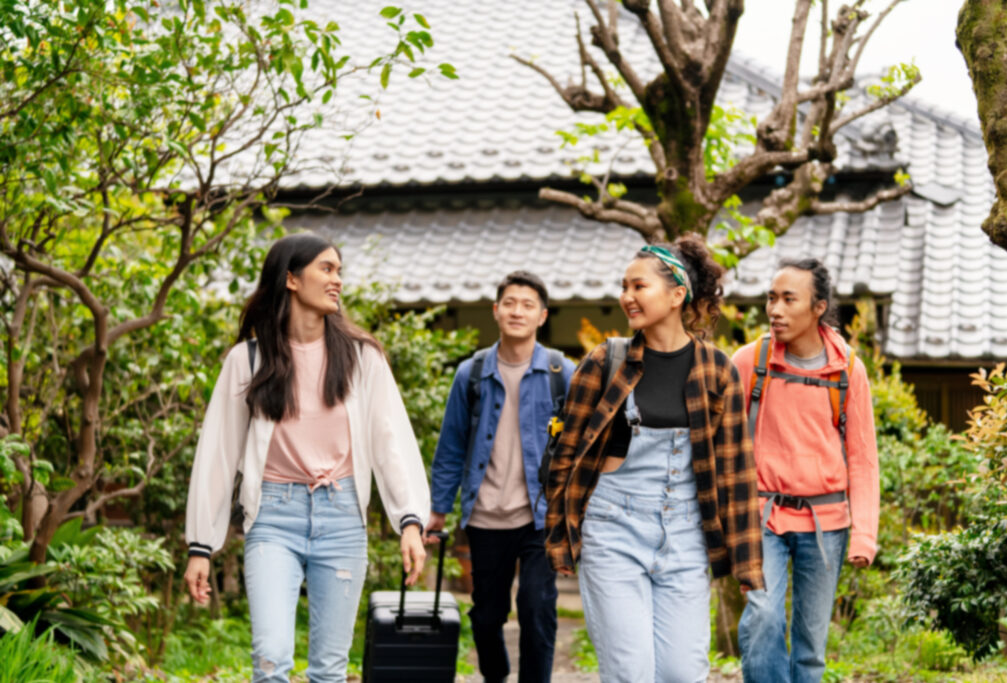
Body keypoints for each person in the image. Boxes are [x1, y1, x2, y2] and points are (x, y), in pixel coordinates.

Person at [183, 233, 429, 683]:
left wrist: (409, 520)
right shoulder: (249, 360)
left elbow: (390, 442)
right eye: (326, 269)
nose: (337, 280)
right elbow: (218, 453)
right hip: (274, 519)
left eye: (339, 271)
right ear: (292, 279)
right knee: (271, 658)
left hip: (342, 521)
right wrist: (202, 544)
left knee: (329, 670)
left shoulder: (361, 357)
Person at [544, 237, 764, 683]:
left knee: (684, 674)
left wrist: (747, 562)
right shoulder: (607, 361)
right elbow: (564, 456)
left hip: (686, 537)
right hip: (613, 529)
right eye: (624, 286)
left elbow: (737, 474)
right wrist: (560, 536)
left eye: (638, 286)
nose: (627, 296)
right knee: (632, 672)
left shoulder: (717, 370)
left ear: (677, 294)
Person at [734, 258, 879, 683]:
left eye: (788, 299)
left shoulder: (849, 370)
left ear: (818, 307)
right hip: (762, 516)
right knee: (762, 618)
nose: (774, 309)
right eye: (771, 298)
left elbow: (864, 458)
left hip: (827, 522)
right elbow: (722, 442)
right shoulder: (749, 361)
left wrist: (865, 534)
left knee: (811, 648)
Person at [427, 270, 576, 683]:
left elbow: (583, 450)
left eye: (528, 305)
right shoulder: (471, 375)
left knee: (536, 607)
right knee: (486, 614)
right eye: (509, 303)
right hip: (485, 515)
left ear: (542, 316)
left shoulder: (563, 373)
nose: (517, 311)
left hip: (539, 517)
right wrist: (438, 508)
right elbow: (451, 446)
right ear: (496, 311)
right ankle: (495, 675)